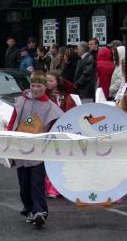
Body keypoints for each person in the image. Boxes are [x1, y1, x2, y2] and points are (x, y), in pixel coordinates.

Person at [7, 70, 63, 228]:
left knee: (37, 182)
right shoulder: (21, 101)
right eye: (33, 85)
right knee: (24, 183)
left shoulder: (51, 107)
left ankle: (40, 212)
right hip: (21, 148)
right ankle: (30, 208)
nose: (35, 89)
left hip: (39, 150)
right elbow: (13, 122)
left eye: (39, 85)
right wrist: (8, 137)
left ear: (45, 87)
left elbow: (56, 129)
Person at [45, 70, 77, 198]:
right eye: (46, 80)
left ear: (58, 82)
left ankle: (61, 187)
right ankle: (50, 187)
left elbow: (72, 87)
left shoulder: (65, 95)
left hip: (63, 131)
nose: (48, 83)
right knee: (50, 159)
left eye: (51, 80)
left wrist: (62, 81)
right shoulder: (45, 95)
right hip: (49, 130)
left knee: (62, 160)